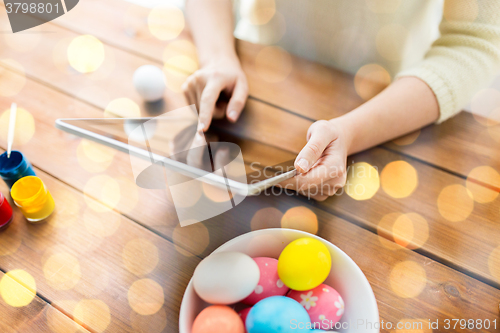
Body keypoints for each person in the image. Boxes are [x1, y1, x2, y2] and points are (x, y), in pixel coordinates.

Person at [182, 0, 500, 200]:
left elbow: (475, 41)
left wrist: (351, 132)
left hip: (393, 110)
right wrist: (217, 57)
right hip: (259, 90)